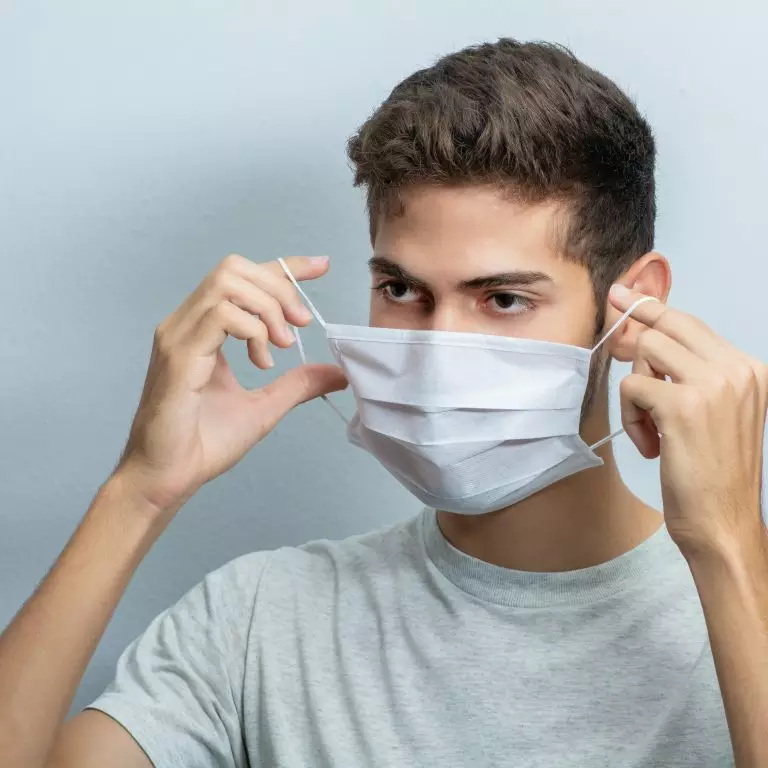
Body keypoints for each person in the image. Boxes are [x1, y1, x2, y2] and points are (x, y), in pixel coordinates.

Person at [1, 38, 766, 768]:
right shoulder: (261, 621)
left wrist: (731, 546)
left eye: (502, 299)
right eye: (401, 290)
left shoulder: (742, 608)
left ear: (632, 306)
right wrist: (138, 490)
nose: (436, 350)